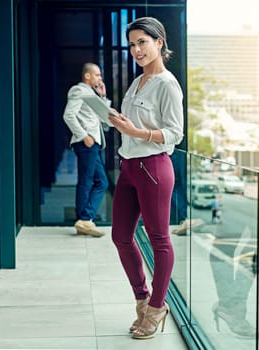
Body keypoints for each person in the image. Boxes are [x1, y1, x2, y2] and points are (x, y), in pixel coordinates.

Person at [108, 17, 184, 339]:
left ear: (159, 43)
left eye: (142, 42)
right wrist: (119, 121)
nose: (137, 49)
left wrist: (135, 131)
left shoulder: (167, 83)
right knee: (121, 236)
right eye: (132, 44)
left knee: (159, 239)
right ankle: (141, 298)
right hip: (129, 167)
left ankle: (157, 307)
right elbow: (135, 125)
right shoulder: (137, 82)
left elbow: (174, 133)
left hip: (153, 168)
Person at [63, 63, 109, 237]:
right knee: (88, 181)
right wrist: (84, 136)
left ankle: (84, 219)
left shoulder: (92, 94)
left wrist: (103, 98)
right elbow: (68, 115)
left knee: (100, 182)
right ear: (87, 76)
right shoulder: (78, 90)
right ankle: (84, 218)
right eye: (97, 75)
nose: (100, 78)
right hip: (86, 143)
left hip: (94, 144)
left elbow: (104, 120)